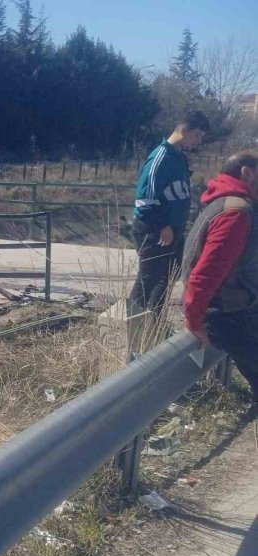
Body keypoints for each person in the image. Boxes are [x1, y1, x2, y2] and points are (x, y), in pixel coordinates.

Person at [182, 150, 258, 401]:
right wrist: (194, 322)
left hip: (235, 310)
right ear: (247, 173)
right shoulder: (236, 212)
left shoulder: (226, 203)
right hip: (229, 315)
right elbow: (205, 274)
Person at [129, 110, 210, 315]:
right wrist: (162, 226)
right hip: (155, 229)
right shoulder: (161, 157)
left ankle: (154, 323)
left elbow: (174, 190)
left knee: (167, 277)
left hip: (174, 228)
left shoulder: (180, 157)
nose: (198, 141)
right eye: (197, 135)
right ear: (184, 130)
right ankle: (132, 323)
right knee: (148, 278)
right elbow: (145, 200)